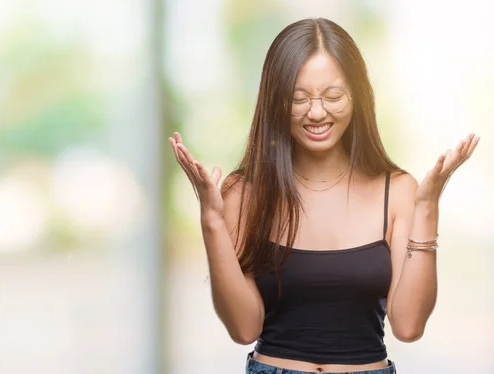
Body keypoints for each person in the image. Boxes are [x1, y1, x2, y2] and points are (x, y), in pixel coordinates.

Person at [168, 17, 479, 374]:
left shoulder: (398, 191)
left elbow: (408, 326)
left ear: (358, 95)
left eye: (333, 96)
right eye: (298, 99)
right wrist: (211, 220)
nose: (317, 112)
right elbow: (243, 328)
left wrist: (427, 208)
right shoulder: (244, 192)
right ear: (274, 101)